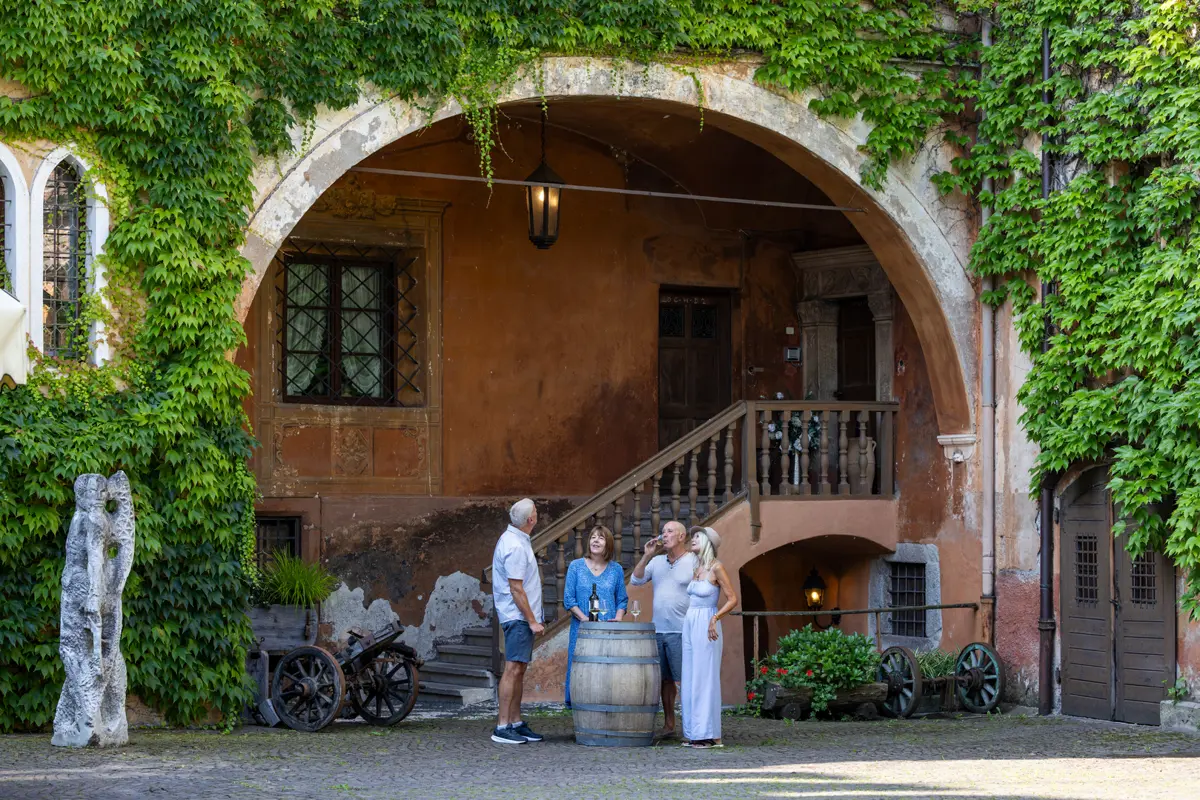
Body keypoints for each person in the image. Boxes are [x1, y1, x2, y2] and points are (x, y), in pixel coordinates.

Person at [630, 519, 696, 738]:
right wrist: (646, 555)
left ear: (681, 536)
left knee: (685, 679)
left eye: (670, 531)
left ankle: (693, 726)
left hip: (682, 631)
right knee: (665, 681)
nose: (664, 535)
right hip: (659, 631)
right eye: (663, 531)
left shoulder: (694, 561)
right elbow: (636, 580)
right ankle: (669, 725)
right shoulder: (656, 561)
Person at [489, 498, 545, 745]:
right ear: (530, 520)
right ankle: (503, 726)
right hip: (518, 616)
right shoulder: (515, 546)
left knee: (519, 668)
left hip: (518, 616)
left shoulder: (516, 539)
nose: (537, 513)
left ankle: (515, 722)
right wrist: (532, 620)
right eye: (535, 511)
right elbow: (516, 588)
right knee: (513, 669)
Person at [681, 526, 738, 748]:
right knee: (690, 676)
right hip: (690, 622)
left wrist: (715, 618)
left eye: (697, 536)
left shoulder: (717, 568)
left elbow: (732, 599)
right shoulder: (697, 567)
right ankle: (693, 731)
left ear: (707, 542)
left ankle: (709, 734)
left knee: (705, 677)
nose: (692, 539)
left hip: (707, 623)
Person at [563, 525, 628, 707]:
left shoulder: (616, 569)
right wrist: (583, 618)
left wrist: (619, 617)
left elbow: (622, 599)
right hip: (581, 629)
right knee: (582, 670)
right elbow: (568, 598)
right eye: (593, 537)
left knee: (606, 671)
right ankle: (582, 711)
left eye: (601, 537)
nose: (596, 540)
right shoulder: (576, 566)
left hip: (608, 630)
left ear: (608, 543)